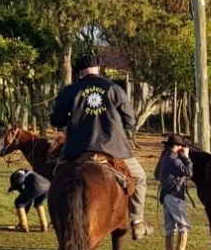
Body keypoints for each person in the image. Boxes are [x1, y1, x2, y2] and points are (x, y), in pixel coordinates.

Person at [50, 54, 152, 240]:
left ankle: (57, 215)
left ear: (80, 71)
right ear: (99, 68)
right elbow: (130, 121)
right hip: (113, 149)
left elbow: (56, 120)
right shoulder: (114, 88)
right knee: (139, 178)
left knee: (58, 176)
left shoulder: (70, 90)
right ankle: (137, 222)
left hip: (76, 150)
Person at [154, 134, 195, 250]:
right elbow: (189, 172)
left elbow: (156, 174)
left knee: (170, 226)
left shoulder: (165, 158)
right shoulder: (174, 159)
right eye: (180, 146)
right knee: (184, 225)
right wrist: (186, 157)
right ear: (176, 147)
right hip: (175, 195)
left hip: (166, 195)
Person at [7, 168, 50, 232]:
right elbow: (27, 203)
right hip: (47, 187)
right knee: (38, 204)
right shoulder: (30, 174)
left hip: (36, 186)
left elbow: (18, 182)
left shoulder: (19, 172)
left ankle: (23, 227)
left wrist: (11, 188)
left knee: (18, 202)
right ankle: (44, 226)